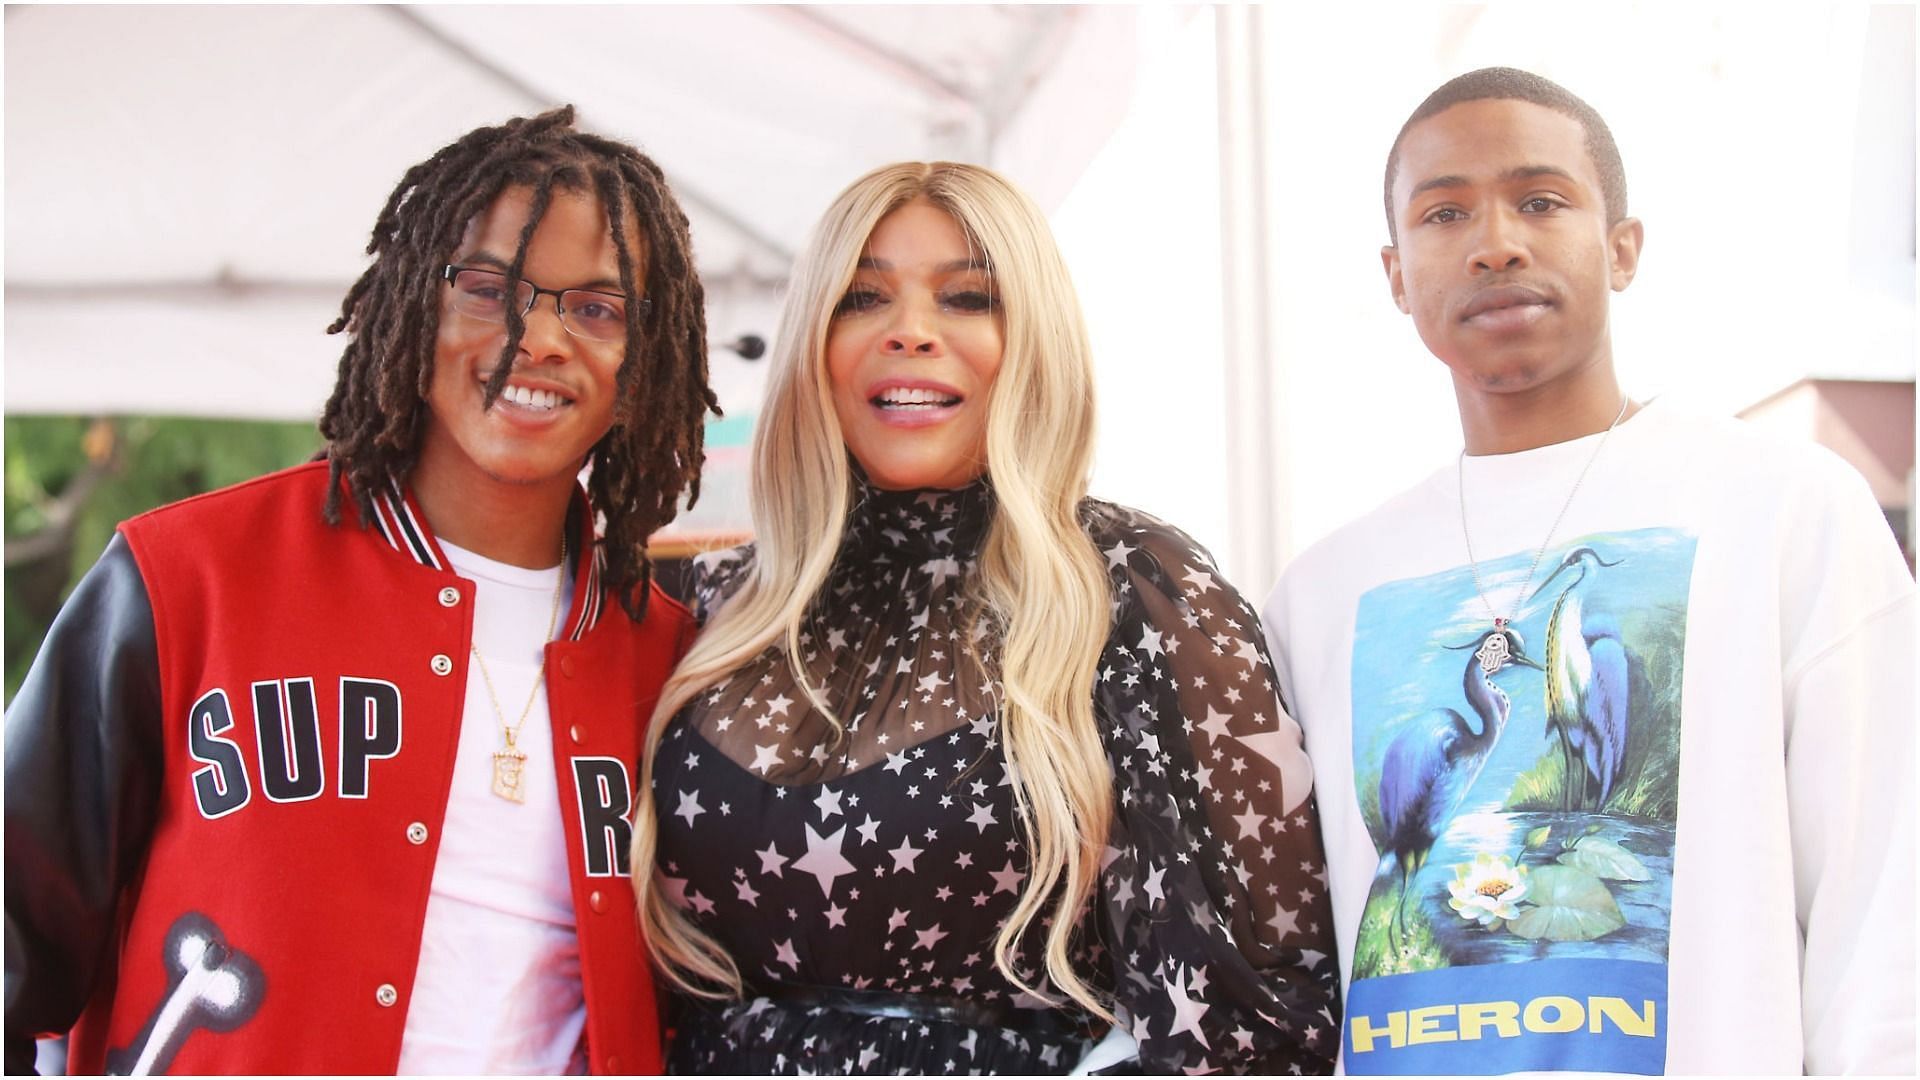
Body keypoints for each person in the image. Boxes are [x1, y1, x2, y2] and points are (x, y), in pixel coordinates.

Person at [4, 106, 720, 1074]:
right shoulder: (189, 575)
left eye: (597, 308)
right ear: (412, 308)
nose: (538, 337)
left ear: (642, 368)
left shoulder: (673, 657)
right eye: (487, 287)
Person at [1263, 67, 1915, 1074]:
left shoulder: (1784, 507)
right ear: (1396, 276)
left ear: (1622, 248)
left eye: (1539, 200)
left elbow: (1884, 896)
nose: (1496, 242)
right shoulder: (1321, 592)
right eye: (1445, 214)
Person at [631, 162, 1341, 1075]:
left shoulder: (1131, 585)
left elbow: (1257, 1016)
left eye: (967, 297)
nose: (910, 333)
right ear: (812, 337)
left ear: (1034, 335)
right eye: (861, 298)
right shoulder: (708, 602)